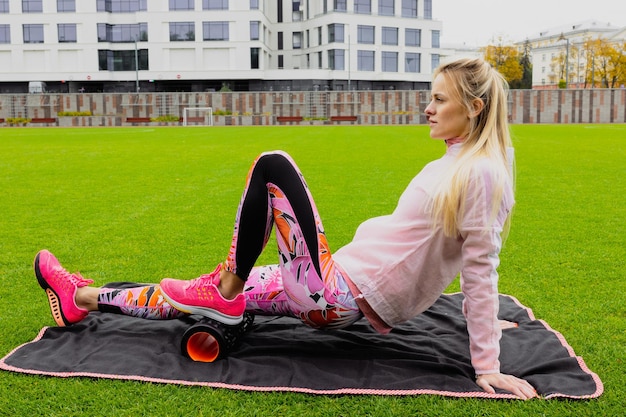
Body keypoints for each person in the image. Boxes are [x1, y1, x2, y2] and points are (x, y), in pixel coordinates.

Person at [33, 58, 538, 400]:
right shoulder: (466, 160)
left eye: (439, 100)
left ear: (474, 108)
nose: (427, 107)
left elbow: (479, 267)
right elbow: (461, 253)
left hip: (332, 295)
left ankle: (226, 288)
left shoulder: (482, 172)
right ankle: (85, 298)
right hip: (329, 280)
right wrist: (488, 321)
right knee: (190, 295)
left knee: (274, 165)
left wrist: (486, 364)